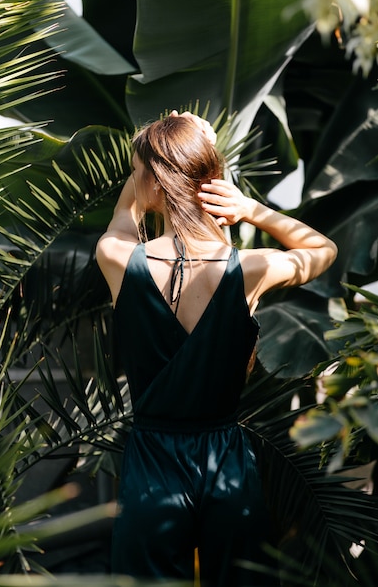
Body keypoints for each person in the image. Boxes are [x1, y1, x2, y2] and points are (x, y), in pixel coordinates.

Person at [96, 111, 338, 586]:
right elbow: (322, 249)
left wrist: (149, 168)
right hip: (225, 462)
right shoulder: (252, 268)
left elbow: (126, 215)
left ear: (150, 182)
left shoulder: (119, 258)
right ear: (208, 181)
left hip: (152, 463)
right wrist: (248, 207)